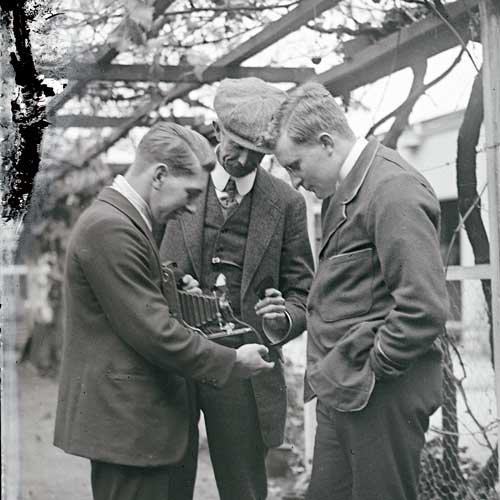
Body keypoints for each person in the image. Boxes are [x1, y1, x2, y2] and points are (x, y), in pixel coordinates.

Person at [53, 122, 274, 500]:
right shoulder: (111, 227)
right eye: (189, 194)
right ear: (159, 175)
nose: (191, 207)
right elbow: (153, 330)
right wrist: (232, 360)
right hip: (130, 432)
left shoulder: (124, 220)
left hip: (142, 429)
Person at [270, 82, 448, 500]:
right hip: (346, 391)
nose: (295, 181)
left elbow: (423, 307)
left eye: (295, 166)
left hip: (379, 395)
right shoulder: (347, 187)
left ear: (326, 142)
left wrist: (374, 366)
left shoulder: (392, 188)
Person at [159, 77, 314, 500]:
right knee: (169, 482)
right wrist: (174, 287)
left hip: (244, 369)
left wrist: (283, 318)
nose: (243, 158)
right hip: (177, 361)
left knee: (244, 488)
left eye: (257, 153)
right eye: (235, 144)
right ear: (216, 129)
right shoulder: (173, 185)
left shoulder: (286, 203)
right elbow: (146, 268)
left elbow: (303, 293)